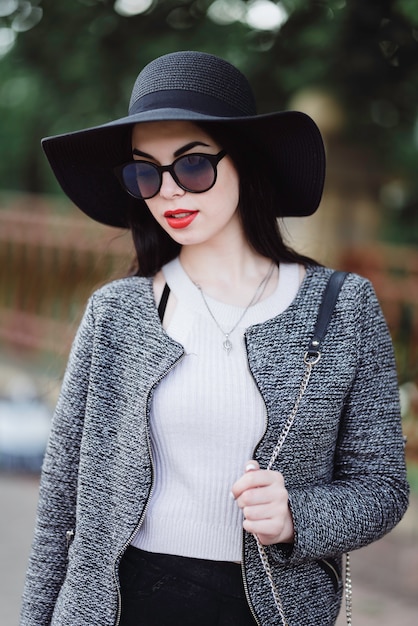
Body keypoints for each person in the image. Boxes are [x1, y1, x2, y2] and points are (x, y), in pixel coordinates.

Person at [20, 51, 409, 626]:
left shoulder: (341, 307)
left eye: (193, 166)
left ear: (245, 164)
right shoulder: (118, 312)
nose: (169, 192)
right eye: (145, 172)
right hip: (121, 604)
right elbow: (59, 511)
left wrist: (298, 515)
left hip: (270, 608)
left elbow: (383, 488)